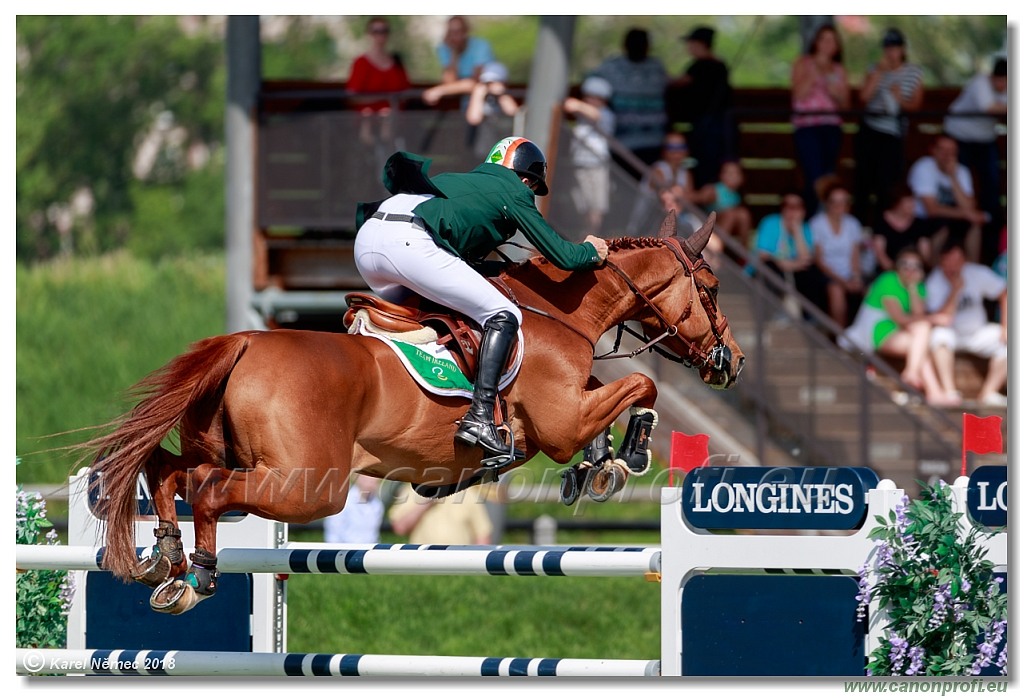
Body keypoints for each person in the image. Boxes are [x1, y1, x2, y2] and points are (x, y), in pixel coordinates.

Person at [353, 137, 608, 462]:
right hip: (408, 244)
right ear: (526, 178)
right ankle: (480, 417)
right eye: (532, 186)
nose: (530, 192)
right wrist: (591, 250)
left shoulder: (461, 181)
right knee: (503, 314)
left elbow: (461, 265)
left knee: (437, 313)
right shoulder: (512, 188)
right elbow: (564, 257)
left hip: (368, 246)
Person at [839, 247, 958, 407]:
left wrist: (913, 287)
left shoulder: (918, 286)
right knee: (921, 339)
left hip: (898, 332)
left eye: (915, 266)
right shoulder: (888, 280)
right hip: (873, 331)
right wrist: (935, 318)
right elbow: (901, 318)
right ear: (897, 266)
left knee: (920, 338)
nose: (910, 269)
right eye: (905, 264)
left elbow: (918, 314)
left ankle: (916, 377)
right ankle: (930, 388)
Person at [853, 27, 924, 229]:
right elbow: (864, 98)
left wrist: (899, 97)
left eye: (895, 48)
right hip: (870, 131)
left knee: (887, 186)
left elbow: (916, 106)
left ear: (902, 49)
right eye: (887, 48)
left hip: (893, 135)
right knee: (863, 184)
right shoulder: (874, 68)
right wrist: (878, 75)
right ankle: (860, 229)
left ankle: (881, 230)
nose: (891, 52)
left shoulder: (914, 72)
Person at [925, 239, 1007, 407]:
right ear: (941, 261)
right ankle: (950, 392)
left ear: (965, 260)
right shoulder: (934, 280)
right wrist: (955, 290)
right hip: (950, 334)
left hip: (977, 333)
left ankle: (989, 392)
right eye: (948, 261)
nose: (953, 266)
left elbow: (1005, 293)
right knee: (939, 335)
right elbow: (941, 317)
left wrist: (1007, 327)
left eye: (957, 261)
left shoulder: (977, 272)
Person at [943, 56, 1007, 262]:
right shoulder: (980, 82)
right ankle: (956, 236)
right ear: (992, 77)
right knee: (961, 185)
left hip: (985, 142)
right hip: (959, 139)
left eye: (1006, 81)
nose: (1002, 85)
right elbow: (988, 107)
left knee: (991, 191)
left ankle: (990, 246)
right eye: (998, 80)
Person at [790, 23, 850, 214]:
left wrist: (836, 94)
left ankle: (828, 214)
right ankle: (815, 213)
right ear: (816, 42)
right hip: (807, 125)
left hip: (831, 125)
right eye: (823, 39)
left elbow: (846, 106)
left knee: (829, 174)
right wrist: (814, 74)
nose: (827, 44)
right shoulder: (803, 63)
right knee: (813, 173)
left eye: (831, 40)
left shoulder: (839, 70)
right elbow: (798, 96)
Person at [590, 27, 668, 172]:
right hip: (622, 143)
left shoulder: (656, 67)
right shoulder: (612, 67)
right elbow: (590, 87)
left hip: (653, 142)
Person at [670, 26, 735, 188]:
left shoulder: (700, 66)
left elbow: (680, 82)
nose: (689, 47)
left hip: (707, 126)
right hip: (714, 126)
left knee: (705, 165)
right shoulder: (720, 66)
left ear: (700, 44)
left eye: (691, 43)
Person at [907, 133, 987, 264]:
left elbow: (969, 206)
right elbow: (931, 209)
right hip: (923, 220)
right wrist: (966, 214)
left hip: (952, 218)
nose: (947, 154)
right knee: (943, 227)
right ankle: (935, 271)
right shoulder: (923, 167)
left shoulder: (961, 171)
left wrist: (953, 177)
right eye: (942, 149)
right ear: (933, 150)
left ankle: (973, 268)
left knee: (974, 225)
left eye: (951, 151)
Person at [750, 190, 830, 316]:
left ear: (803, 210)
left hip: (793, 272)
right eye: (787, 206)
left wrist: (797, 230)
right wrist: (783, 263)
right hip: (770, 271)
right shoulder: (770, 222)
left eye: (797, 207)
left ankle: (807, 318)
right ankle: (768, 315)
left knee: (810, 273)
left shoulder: (805, 228)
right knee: (770, 267)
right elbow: (762, 254)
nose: (791, 211)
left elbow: (806, 259)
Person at [808, 177, 865, 328]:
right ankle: (840, 340)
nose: (840, 206)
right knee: (836, 291)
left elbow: (855, 255)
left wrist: (856, 277)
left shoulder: (853, 223)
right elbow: (819, 260)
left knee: (870, 291)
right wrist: (843, 281)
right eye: (836, 202)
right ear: (827, 203)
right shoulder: (817, 224)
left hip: (849, 274)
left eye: (844, 201)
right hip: (826, 274)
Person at [563, 75, 616, 234]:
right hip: (579, 164)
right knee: (582, 205)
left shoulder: (606, 114)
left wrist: (575, 104)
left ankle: (592, 235)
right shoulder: (581, 116)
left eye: (593, 97)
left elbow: (595, 114)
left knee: (596, 206)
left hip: (597, 165)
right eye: (586, 96)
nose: (588, 100)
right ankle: (584, 234)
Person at [422, 16, 495, 106]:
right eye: (451, 32)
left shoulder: (481, 46)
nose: (454, 36)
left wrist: (439, 90)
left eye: (458, 31)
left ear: (466, 31)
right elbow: (449, 83)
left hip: (488, 98)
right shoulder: (445, 48)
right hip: (464, 102)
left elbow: (475, 82)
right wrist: (454, 52)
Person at [388, 483, 493, 545]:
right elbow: (400, 528)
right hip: (421, 564)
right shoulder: (412, 490)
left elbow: (482, 537)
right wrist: (425, 503)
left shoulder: (468, 493)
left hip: (458, 566)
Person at [345, 17, 412, 115]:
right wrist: (381, 100)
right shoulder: (361, 63)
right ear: (368, 34)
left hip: (394, 121)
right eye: (376, 31)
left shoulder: (397, 62)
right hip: (367, 121)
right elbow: (353, 97)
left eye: (384, 31)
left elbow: (406, 92)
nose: (380, 35)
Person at [871, 183, 936, 273]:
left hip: (913, 273)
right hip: (887, 273)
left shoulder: (920, 224)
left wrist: (912, 272)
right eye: (908, 201)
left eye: (913, 201)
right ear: (896, 203)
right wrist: (896, 273)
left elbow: (924, 255)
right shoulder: (881, 222)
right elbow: (880, 254)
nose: (912, 205)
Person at [692, 159, 753, 253]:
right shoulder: (714, 190)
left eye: (735, 173)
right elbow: (698, 197)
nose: (731, 177)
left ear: (741, 178)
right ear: (721, 175)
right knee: (730, 214)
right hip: (711, 229)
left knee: (743, 214)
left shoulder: (736, 196)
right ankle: (716, 251)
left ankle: (744, 253)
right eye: (728, 173)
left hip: (727, 230)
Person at [322, 474, 384, 544]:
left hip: (368, 552)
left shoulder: (377, 504)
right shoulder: (343, 501)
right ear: (357, 477)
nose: (373, 480)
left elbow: (373, 535)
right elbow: (333, 533)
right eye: (367, 476)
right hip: (345, 552)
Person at [465, 61, 518, 127]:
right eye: (487, 83)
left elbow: (513, 113)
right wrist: (478, 95)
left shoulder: (504, 96)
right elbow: (474, 119)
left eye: (493, 83)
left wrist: (502, 95)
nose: (489, 86)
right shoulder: (480, 96)